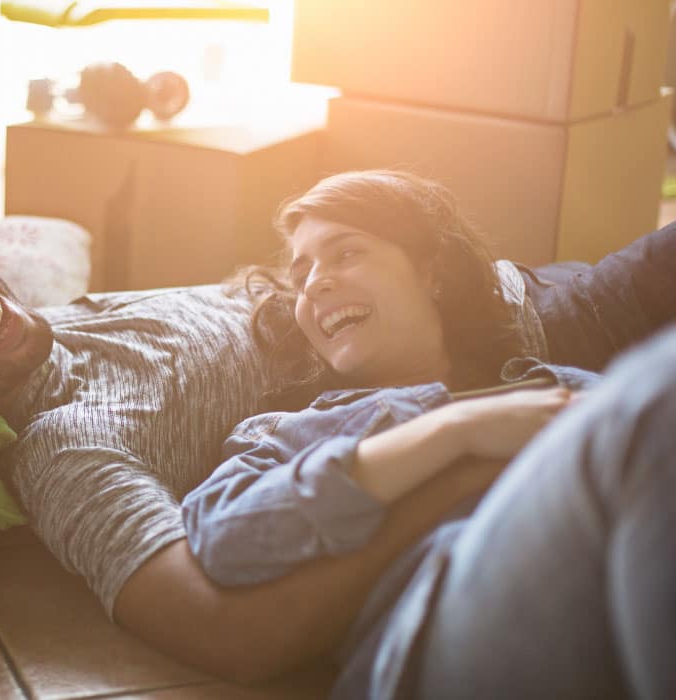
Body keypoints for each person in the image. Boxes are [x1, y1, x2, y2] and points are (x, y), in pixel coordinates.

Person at [0, 170, 675, 683]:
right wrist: (467, 455)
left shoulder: (71, 315)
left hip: (529, 311)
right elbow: (229, 632)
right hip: (536, 388)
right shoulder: (68, 449)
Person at [180, 170, 676, 697]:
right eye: (302, 278)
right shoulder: (289, 433)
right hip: (436, 645)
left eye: (345, 254)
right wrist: (455, 430)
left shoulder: (553, 386)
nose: (315, 283)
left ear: (433, 271)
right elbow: (223, 533)